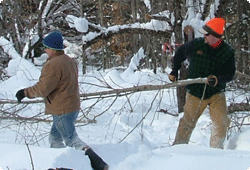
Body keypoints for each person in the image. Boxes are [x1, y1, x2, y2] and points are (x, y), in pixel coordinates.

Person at [15, 31, 108, 170]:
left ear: (52, 48)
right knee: (55, 139)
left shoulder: (54, 65)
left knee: (71, 139)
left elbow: (43, 88)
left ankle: (97, 163)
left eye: (46, 47)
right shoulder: (69, 61)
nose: (45, 50)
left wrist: (25, 92)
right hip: (71, 107)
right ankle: (62, 164)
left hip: (62, 109)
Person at [168, 17, 235, 149]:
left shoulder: (228, 52)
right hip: (195, 92)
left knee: (221, 123)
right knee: (187, 123)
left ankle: (216, 152)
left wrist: (217, 80)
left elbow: (230, 74)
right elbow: (180, 53)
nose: (204, 35)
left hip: (216, 93)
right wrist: (174, 71)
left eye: (207, 34)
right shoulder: (196, 44)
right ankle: (177, 150)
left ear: (215, 36)